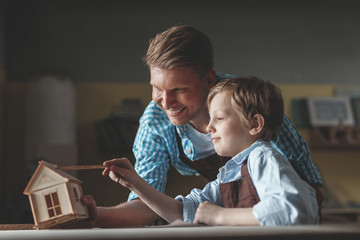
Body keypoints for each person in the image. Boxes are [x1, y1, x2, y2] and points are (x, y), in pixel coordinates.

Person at [79, 25, 323, 228]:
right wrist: (120, 194)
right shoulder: (228, 170)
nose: (165, 102)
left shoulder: (250, 111)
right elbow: (182, 210)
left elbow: (304, 197)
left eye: (178, 90)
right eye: (157, 88)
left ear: (208, 79)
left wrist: (221, 217)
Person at [103, 77, 319, 226]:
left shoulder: (263, 158)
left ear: (254, 124)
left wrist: (221, 216)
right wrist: (134, 182)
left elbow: (291, 211)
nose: (209, 128)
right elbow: (184, 212)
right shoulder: (233, 171)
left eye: (219, 118)